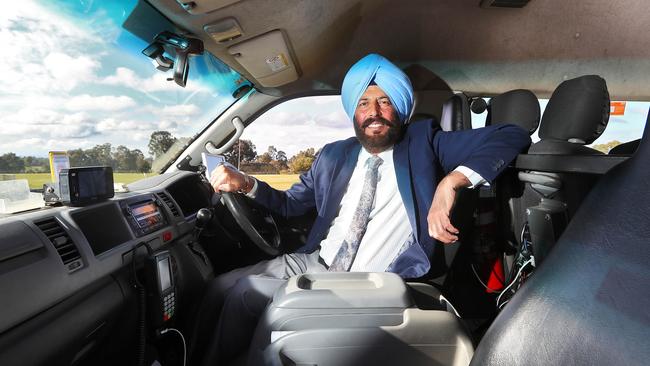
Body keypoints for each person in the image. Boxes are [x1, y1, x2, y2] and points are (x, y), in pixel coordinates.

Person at [200, 53, 531, 364]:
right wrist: (246, 183)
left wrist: (450, 183)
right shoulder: (333, 155)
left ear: (399, 110)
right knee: (220, 287)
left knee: (244, 295)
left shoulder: (424, 142)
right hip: (315, 259)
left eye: (385, 101)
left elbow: (511, 135)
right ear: (353, 112)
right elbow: (291, 204)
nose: (374, 111)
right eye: (364, 103)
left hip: (369, 280)